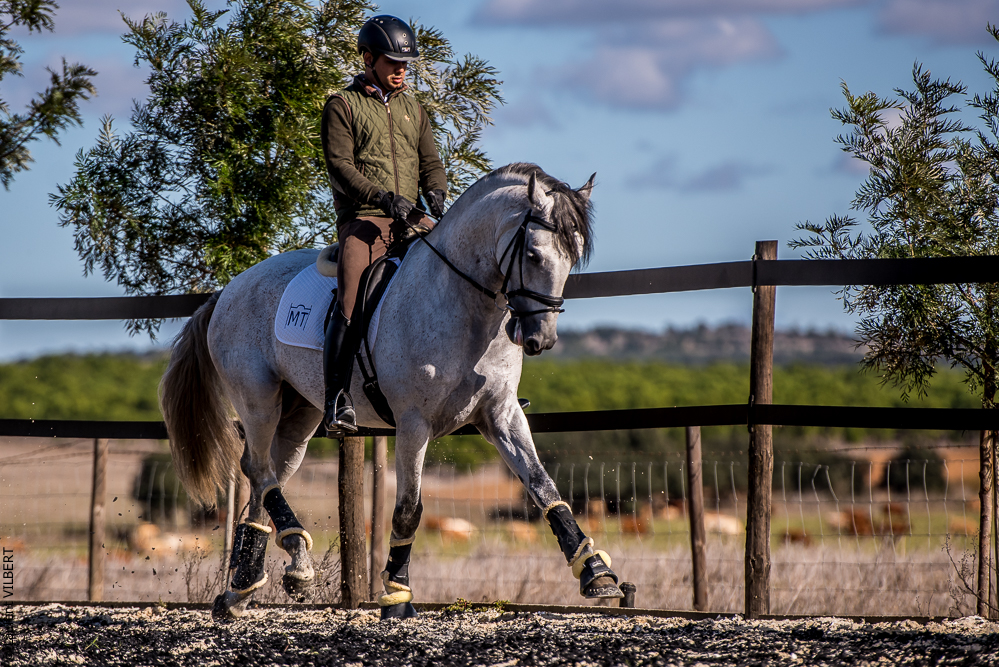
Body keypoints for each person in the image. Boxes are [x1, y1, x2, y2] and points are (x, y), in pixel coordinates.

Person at [320, 14, 448, 435]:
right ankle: (336, 398)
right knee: (351, 296)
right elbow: (340, 167)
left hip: (413, 219)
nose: (401, 70)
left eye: (405, 63)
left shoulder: (414, 108)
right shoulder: (343, 105)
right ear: (368, 58)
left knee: (468, 270)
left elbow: (430, 163)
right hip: (366, 221)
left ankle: (483, 386)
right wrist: (381, 198)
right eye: (393, 61)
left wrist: (438, 196)